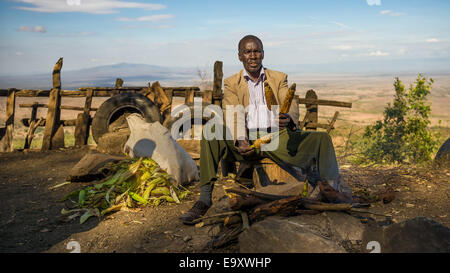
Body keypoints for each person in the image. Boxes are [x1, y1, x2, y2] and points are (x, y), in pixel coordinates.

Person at [179, 35, 352, 224]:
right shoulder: (231, 82)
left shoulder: (278, 78)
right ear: (240, 56)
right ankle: (204, 199)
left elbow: (291, 103)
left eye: (257, 51)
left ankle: (331, 190)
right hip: (246, 138)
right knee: (212, 131)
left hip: (277, 137)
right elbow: (233, 112)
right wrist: (240, 139)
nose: (253, 56)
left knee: (322, 139)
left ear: (263, 54)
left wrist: (289, 118)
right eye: (248, 52)